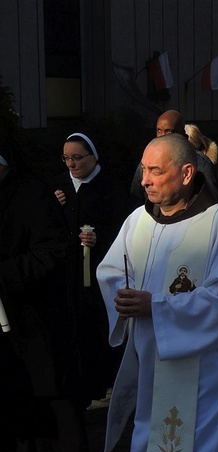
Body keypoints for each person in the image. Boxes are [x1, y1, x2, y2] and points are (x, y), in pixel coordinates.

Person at [97, 134, 218, 452]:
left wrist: (158, 307)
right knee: (152, 442)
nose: (145, 180)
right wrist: (122, 295)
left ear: (185, 173)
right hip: (152, 360)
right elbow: (111, 270)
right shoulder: (138, 221)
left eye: (155, 171)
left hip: (200, 369)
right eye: (143, 170)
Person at [1, 133, 86, 452]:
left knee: (35, 387)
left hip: (30, 314)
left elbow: (52, 254)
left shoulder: (31, 194)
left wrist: (5, 274)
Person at [53, 133, 128, 407]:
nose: (71, 165)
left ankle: (98, 382)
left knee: (94, 329)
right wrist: (53, 205)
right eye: (66, 158)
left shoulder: (110, 188)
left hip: (97, 275)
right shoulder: (59, 187)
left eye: (77, 158)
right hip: (67, 273)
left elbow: (124, 229)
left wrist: (100, 239)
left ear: (93, 157)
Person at [130, 110, 218, 205]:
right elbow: (136, 196)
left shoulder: (201, 163)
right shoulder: (147, 161)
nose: (162, 136)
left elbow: (214, 201)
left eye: (169, 131)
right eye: (159, 131)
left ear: (184, 135)